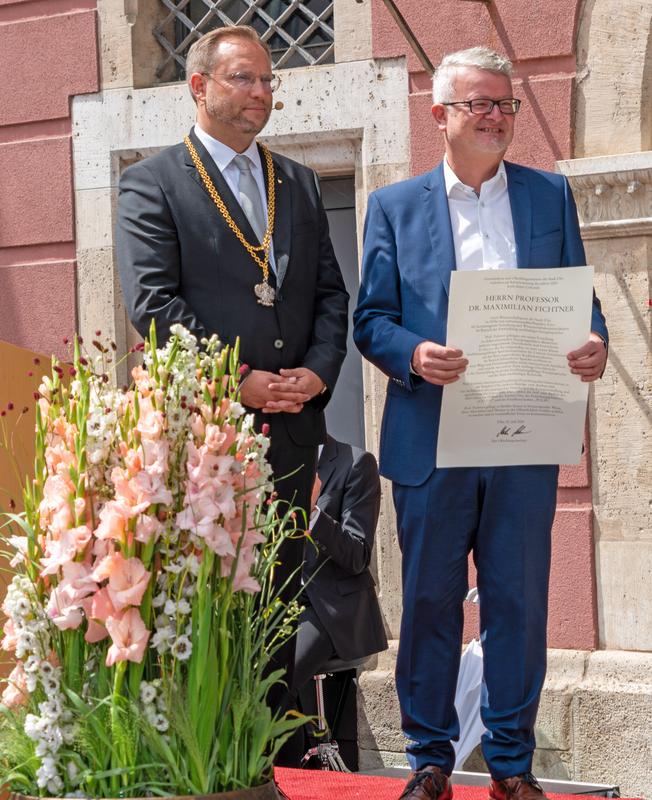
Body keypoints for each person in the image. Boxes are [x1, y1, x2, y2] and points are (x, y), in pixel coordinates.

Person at [353, 47, 608, 800]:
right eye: (479, 105)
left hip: (527, 436)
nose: (496, 117)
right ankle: (429, 761)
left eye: (506, 105)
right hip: (432, 438)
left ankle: (510, 765)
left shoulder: (547, 198)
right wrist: (414, 353)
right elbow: (371, 320)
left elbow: (580, 302)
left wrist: (594, 341)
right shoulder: (395, 207)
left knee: (518, 605)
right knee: (430, 602)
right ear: (440, 116)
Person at [115, 25, 349, 695]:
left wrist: (319, 370)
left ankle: (274, 765)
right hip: (207, 439)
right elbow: (154, 306)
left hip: (294, 434)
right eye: (244, 78)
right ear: (198, 86)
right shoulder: (151, 185)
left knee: (279, 606)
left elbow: (332, 295)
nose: (261, 92)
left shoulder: (299, 184)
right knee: (211, 612)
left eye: (268, 80)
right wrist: (236, 380)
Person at [293, 434, 388, 697]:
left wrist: (312, 514)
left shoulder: (356, 463)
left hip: (328, 608)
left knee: (274, 681)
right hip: (276, 607)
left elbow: (357, 556)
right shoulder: (267, 463)